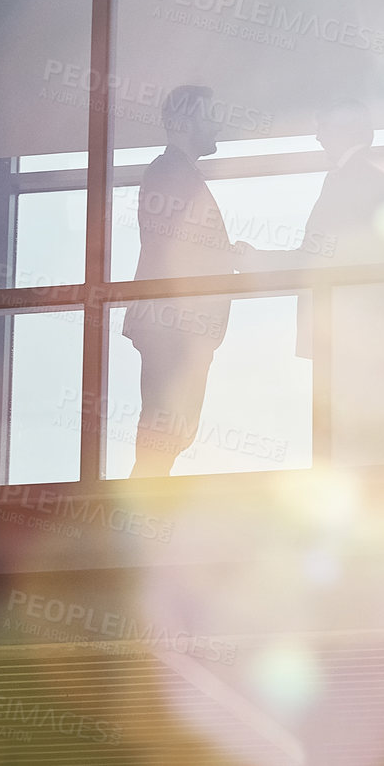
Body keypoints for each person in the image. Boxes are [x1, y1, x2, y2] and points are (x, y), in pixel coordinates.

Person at [237, 98, 384, 463]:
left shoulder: (359, 174)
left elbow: (319, 258)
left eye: (323, 127)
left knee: (354, 443)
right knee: (361, 442)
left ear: (346, 128)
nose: (317, 137)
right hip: (360, 329)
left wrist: (256, 261)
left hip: (355, 330)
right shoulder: (366, 172)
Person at [123, 85, 242, 477]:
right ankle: (137, 515)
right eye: (209, 117)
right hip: (173, 324)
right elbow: (174, 244)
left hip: (179, 323)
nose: (218, 126)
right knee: (165, 428)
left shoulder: (178, 174)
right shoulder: (168, 173)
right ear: (181, 123)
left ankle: (141, 510)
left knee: (172, 429)